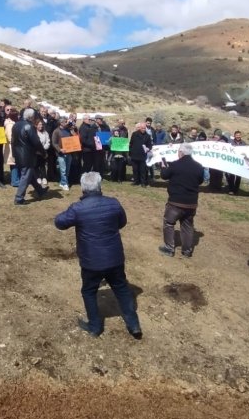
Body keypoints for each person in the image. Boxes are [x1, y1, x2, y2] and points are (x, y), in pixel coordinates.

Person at [54, 172, 142, 339]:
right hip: (114, 257)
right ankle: (134, 324)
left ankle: (95, 326)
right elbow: (121, 222)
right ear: (100, 186)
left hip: (91, 261)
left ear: (83, 188)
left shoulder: (77, 208)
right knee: (122, 288)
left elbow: (59, 222)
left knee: (89, 290)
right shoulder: (113, 203)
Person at [158, 143, 204, 257]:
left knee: (169, 223)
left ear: (181, 152)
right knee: (187, 226)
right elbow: (200, 181)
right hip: (191, 203)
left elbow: (164, 176)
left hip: (176, 202)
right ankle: (187, 251)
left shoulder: (175, 164)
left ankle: (169, 248)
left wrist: (163, 166)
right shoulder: (199, 166)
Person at [12, 108, 47, 205]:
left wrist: (14, 154)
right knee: (26, 176)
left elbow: (13, 141)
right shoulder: (29, 126)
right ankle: (19, 198)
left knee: (30, 174)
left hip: (18, 154)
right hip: (27, 155)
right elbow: (36, 142)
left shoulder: (16, 124)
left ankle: (40, 190)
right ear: (31, 117)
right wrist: (43, 153)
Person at [51, 116, 73, 191]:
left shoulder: (68, 130)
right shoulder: (56, 131)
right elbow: (54, 143)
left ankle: (62, 182)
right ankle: (65, 183)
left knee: (68, 169)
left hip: (69, 152)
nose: (66, 123)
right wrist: (60, 149)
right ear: (61, 123)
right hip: (61, 154)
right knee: (63, 169)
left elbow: (72, 139)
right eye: (65, 121)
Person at [128, 122, 152, 186]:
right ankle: (136, 181)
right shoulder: (134, 134)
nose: (143, 129)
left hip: (143, 156)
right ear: (140, 128)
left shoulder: (147, 136)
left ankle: (143, 182)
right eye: (142, 128)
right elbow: (131, 143)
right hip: (134, 155)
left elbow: (150, 145)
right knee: (135, 169)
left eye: (144, 128)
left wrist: (148, 149)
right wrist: (130, 151)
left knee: (143, 170)